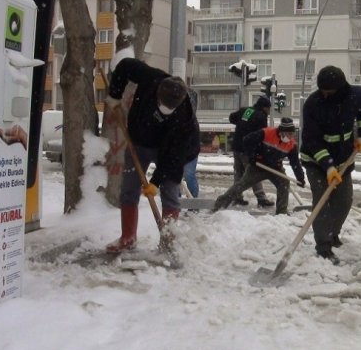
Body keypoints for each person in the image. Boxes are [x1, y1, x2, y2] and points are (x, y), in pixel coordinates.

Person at [105, 57, 200, 254]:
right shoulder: (150, 78)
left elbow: (173, 156)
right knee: (129, 188)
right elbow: (125, 66)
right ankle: (128, 237)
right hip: (139, 142)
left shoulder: (184, 118)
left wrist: (155, 182)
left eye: (170, 109)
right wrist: (115, 95)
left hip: (169, 149)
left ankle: (168, 242)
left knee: (170, 192)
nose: (165, 111)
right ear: (157, 93)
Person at [300, 65, 361, 265]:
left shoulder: (356, 96)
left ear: (341, 88)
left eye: (329, 91)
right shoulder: (313, 104)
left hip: (343, 159)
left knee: (344, 201)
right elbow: (311, 140)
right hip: (315, 160)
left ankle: (332, 233)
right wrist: (328, 166)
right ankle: (323, 246)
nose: (325, 94)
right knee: (322, 201)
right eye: (322, 90)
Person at [212, 118, 305, 215]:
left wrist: (300, 178)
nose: (291, 137)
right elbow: (247, 140)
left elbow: (295, 163)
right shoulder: (266, 133)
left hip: (276, 168)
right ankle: (220, 205)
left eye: (292, 134)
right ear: (282, 132)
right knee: (241, 185)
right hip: (258, 167)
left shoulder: (291, 145)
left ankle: (281, 212)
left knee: (284, 183)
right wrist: (252, 156)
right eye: (289, 134)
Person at [229, 96, 274, 208]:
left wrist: (242, 125)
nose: (269, 112)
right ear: (265, 108)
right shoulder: (261, 116)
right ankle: (261, 199)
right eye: (269, 109)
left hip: (237, 146)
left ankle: (237, 197)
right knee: (253, 173)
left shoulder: (246, 110)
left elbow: (232, 118)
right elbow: (262, 136)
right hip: (247, 149)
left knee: (238, 173)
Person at [182, 86, 200, 197]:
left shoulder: (190, 120)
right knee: (174, 179)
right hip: (177, 152)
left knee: (189, 175)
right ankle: (175, 203)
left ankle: (193, 203)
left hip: (190, 152)